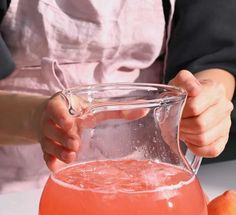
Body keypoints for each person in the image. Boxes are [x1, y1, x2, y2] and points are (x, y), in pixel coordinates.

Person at [0, 0, 235, 192]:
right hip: (15, 190)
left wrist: (206, 100)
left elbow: (213, 51)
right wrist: (37, 118)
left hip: (150, 180)